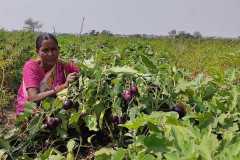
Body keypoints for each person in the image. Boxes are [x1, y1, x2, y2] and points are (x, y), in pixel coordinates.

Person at [16, 33, 79, 115]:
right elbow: (33, 98)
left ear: (59, 49)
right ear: (37, 51)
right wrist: (63, 86)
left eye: (54, 49)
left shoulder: (63, 65)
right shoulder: (31, 67)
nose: (50, 54)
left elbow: (81, 74)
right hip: (30, 113)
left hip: (53, 110)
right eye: (45, 50)